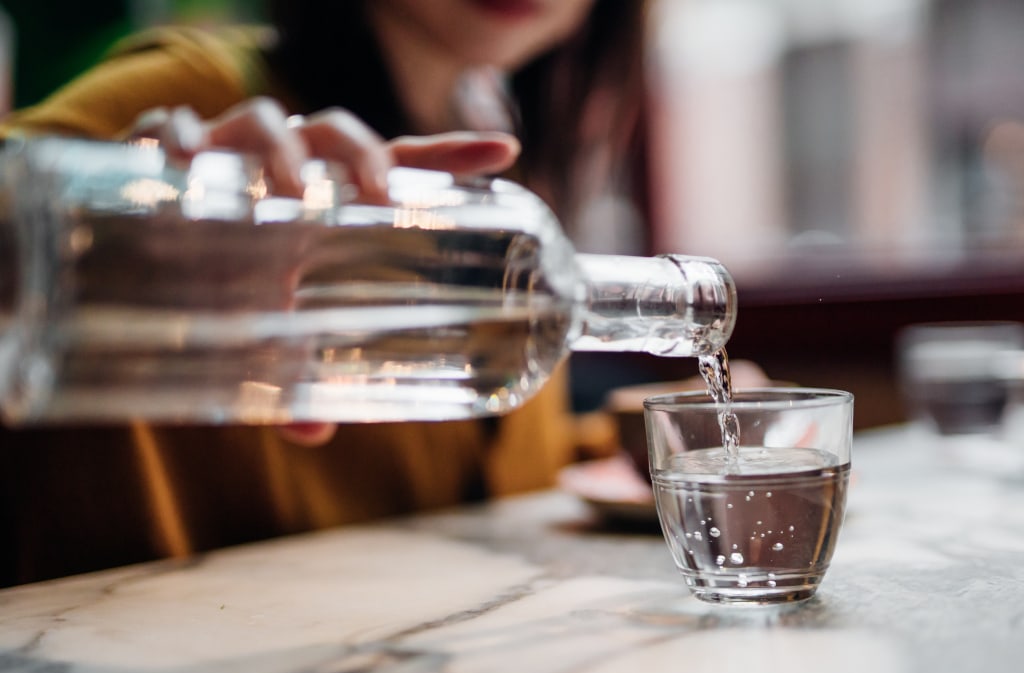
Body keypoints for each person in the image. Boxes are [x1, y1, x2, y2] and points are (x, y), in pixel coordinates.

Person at [0, 1, 679, 586]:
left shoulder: (499, 173)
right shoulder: (209, 110)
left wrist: (644, 444)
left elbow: (461, 472)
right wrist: (79, 245)